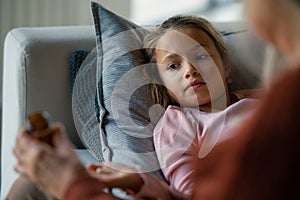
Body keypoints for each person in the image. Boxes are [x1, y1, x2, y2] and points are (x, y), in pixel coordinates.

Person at [7, 14, 259, 200]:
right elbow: (190, 191)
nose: (190, 70)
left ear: (225, 65)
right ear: (162, 84)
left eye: (201, 56)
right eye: (173, 66)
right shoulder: (178, 125)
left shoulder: (262, 101)